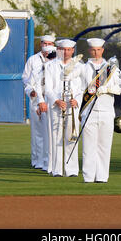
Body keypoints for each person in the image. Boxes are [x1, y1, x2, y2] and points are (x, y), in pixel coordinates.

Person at [80, 38, 121, 183]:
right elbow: (77, 88)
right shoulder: (83, 68)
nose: (96, 52)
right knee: (88, 147)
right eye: (93, 50)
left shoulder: (111, 68)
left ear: (102, 50)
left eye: (98, 50)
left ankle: (102, 176)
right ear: (90, 50)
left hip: (107, 111)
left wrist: (108, 89)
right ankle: (88, 177)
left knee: (104, 146)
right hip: (89, 111)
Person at [44, 39, 84, 177]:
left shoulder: (79, 66)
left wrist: (77, 99)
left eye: (68, 50)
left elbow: (83, 87)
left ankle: (72, 169)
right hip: (57, 104)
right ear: (58, 50)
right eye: (62, 49)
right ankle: (57, 169)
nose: (66, 52)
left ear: (73, 50)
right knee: (56, 136)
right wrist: (56, 100)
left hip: (72, 105)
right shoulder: (50, 66)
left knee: (72, 135)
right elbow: (48, 88)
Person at [22, 34, 55, 169]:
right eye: (44, 43)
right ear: (40, 44)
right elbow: (25, 79)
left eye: (49, 43)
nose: (46, 46)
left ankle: (50, 161)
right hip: (36, 98)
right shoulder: (33, 60)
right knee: (37, 132)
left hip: (51, 99)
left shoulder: (56, 60)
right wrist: (31, 91)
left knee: (50, 131)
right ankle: (37, 160)